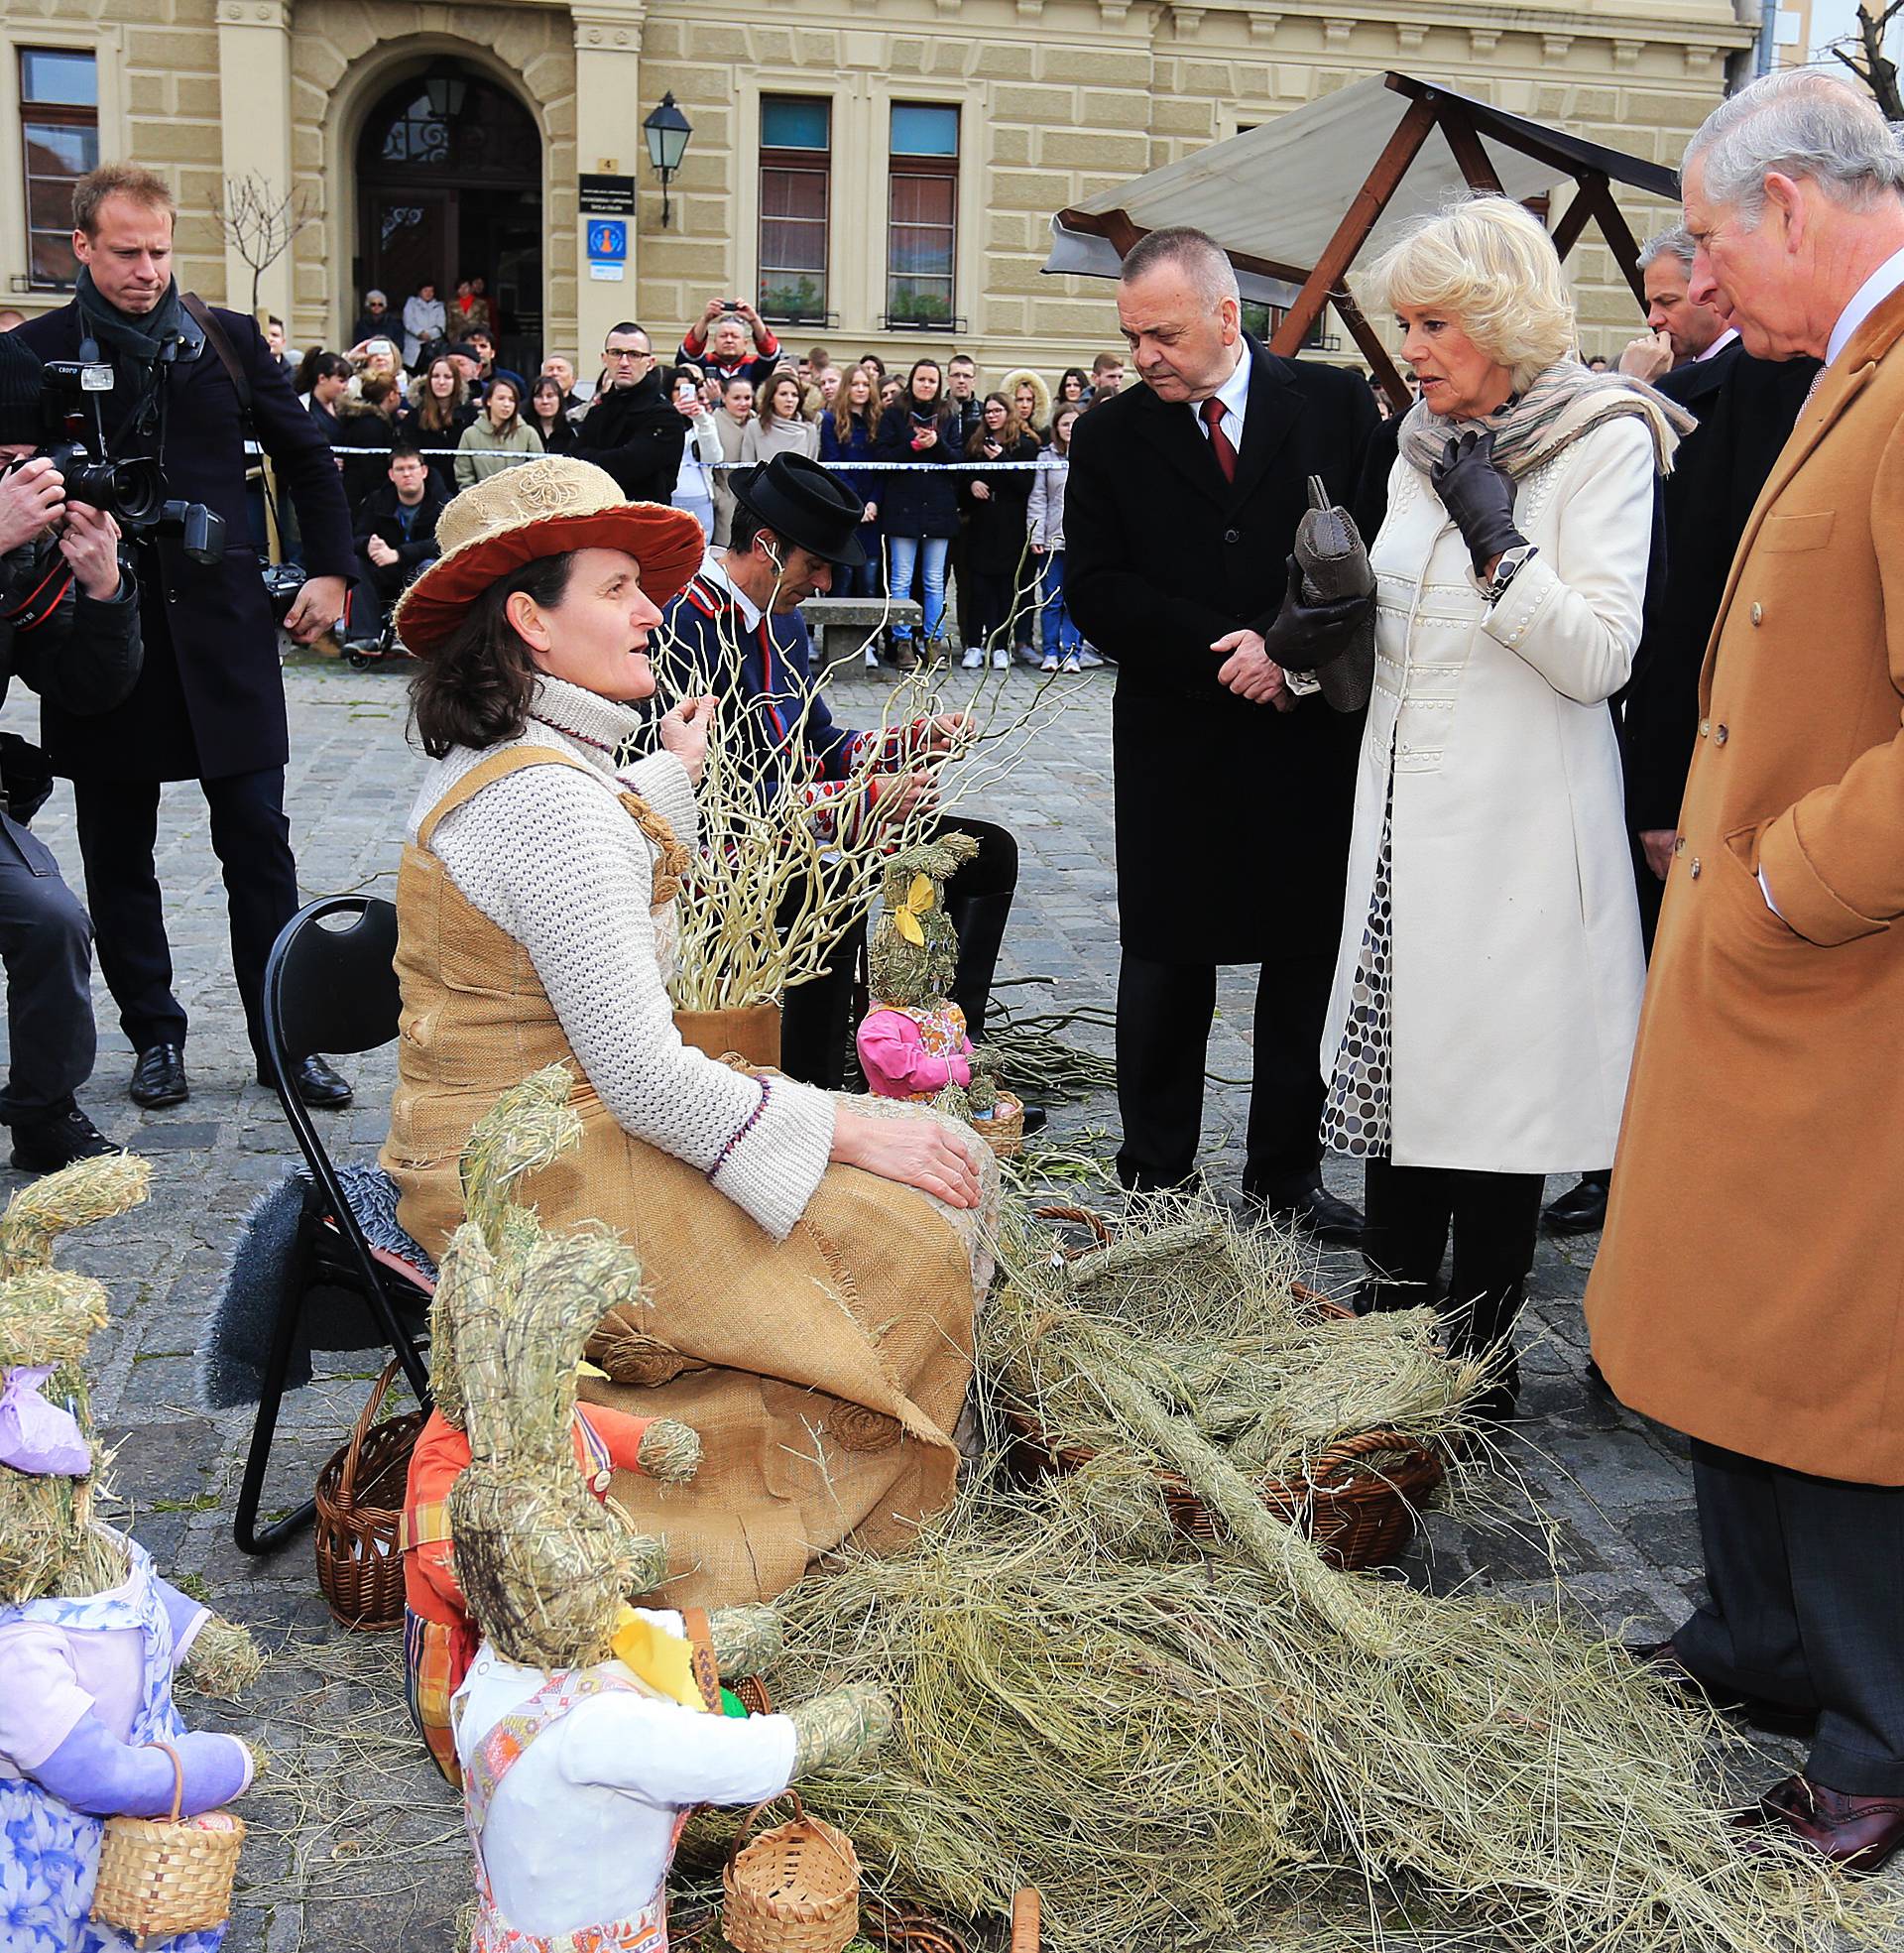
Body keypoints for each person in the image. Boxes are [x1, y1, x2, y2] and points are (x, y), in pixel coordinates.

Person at [380, 453, 993, 1606]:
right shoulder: (550, 801)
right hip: (530, 1180)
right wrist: (860, 1130)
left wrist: (669, 775)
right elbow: (651, 1079)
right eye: (615, 588)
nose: (650, 610)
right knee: (901, 1240)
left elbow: (581, 888)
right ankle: (715, 1525)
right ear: (531, 619)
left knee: (865, 1223)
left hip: (492, 1144)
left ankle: (716, 1476)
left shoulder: (530, 765)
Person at [1587, 68, 1904, 1877]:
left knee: (1841, 1364)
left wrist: (1784, 879)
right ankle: (1761, 1639)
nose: (1691, 277)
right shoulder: (1842, 362)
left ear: (1787, 208)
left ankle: (1876, 1732)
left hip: (1841, 974)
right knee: (1731, 1315)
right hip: (1766, 963)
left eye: (1703, 237)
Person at [1326, 195, 1679, 1427]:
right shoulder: (1420, 441)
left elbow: (1601, 660)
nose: (1410, 348)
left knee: (1495, 1110)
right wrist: (1324, 612)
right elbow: (1398, 615)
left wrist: (1501, 543)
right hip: (1401, 828)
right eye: (1404, 323)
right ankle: (1387, 1352)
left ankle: (1472, 1372)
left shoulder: (1606, 439)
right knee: (1398, 1090)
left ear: (1501, 318)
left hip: (1521, 837)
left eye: (1432, 322)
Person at [1065, 226, 1377, 1238]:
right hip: (1176, 737)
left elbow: (1377, 558)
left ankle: (1284, 1176)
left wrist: (1288, 654)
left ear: (1225, 315)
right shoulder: (1108, 436)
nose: (1142, 355)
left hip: (1307, 740)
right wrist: (1222, 647)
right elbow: (1097, 589)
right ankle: (1155, 1175)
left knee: (1303, 962)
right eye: (1131, 336)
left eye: (1161, 334)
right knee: (1165, 961)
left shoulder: (1328, 403)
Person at [1547, 229, 1817, 1239]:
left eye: (1683, 293)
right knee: (1647, 985)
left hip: (1759, 758)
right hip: (1677, 745)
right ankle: (1622, 1167)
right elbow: (1662, 614)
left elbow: (1701, 606)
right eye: (1658, 295)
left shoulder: (1764, 393)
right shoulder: (1699, 396)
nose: (1665, 311)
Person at [659, 453, 1020, 1090]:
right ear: (768, 548)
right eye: (814, 565)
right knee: (831, 883)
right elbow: (726, 793)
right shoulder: (687, 622)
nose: (824, 582)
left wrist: (911, 742)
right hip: (727, 850)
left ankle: (945, 1062)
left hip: (807, 821)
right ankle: (813, 1087)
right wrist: (861, 804)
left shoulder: (783, 617)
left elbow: (818, 739)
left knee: (986, 853)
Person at [0, 337, 144, 1170]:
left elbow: (86, 688)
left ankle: (43, 1112)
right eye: (3, 462)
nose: (22, 481)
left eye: (30, 462)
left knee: (52, 917)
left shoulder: (27, 548)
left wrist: (103, 590)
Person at [876, 360, 961, 662]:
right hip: (903, 509)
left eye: (932, 380)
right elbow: (883, 457)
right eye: (921, 379)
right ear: (912, 382)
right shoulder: (893, 415)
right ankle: (902, 642)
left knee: (934, 580)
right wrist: (912, 446)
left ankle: (933, 640)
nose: (926, 385)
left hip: (938, 508)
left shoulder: (950, 415)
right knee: (900, 578)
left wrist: (935, 443)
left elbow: (956, 460)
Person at [958, 392, 1037, 670]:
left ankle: (1001, 645)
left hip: (1010, 526)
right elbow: (963, 477)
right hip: (981, 525)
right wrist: (971, 485)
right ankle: (973, 645)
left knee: (1005, 590)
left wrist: (1002, 458)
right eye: (988, 411)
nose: (991, 415)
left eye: (997, 410)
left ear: (1008, 413)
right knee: (977, 589)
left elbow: (1025, 485)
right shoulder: (976, 444)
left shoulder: (1025, 446)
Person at [571, 322, 686, 503]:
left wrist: (587, 458)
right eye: (616, 353)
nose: (624, 362)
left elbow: (627, 465)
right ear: (604, 358)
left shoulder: (665, 416)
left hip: (644, 522)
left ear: (650, 363)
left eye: (634, 354)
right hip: (595, 518)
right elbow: (571, 460)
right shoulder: (598, 412)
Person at [349, 438, 445, 644]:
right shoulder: (377, 500)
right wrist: (369, 545)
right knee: (357, 565)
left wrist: (399, 554)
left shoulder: (442, 501)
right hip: (386, 570)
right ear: (391, 475)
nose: (407, 474)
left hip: (419, 569)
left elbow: (442, 542)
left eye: (412, 467)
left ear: (424, 471)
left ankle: (412, 639)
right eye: (400, 469)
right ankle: (364, 638)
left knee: (430, 567)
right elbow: (355, 538)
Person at [1027, 401, 1084, 671]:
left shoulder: (1091, 454)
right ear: (1056, 428)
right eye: (1064, 424)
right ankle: (1050, 651)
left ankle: (1073, 652)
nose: (1069, 429)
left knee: (1076, 600)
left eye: (1074, 423)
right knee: (1052, 599)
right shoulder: (1045, 458)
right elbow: (1038, 497)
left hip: (1082, 540)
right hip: (1053, 537)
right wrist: (1036, 535)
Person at [819, 365, 882, 606]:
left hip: (873, 510)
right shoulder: (831, 420)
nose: (860, 389)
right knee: (842, 577)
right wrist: (857, 504)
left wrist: (873, 502)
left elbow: (883, 469)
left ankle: (870, 642)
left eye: (865, 384)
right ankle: (838, 642)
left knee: (869, 580)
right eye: (855, 384)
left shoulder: (878, 419)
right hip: (845, 507)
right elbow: (833, 464)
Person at [405, 353, 473, 502]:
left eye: (448, 377)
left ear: (456, 381)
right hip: (426, 492)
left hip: (461, 490)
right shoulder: (415, 417)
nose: (441, 382)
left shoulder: (469, 415)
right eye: (435, 376)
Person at [454, 373, 541, 489]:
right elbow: (464, 475)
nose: (506, 404)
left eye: (512, 400)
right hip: (480, 502)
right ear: (489, 401)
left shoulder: (528, 433)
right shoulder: (470, 434)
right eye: (501, 398)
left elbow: (540, 470)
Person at [665, 364, 723, 540]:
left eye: (687, 389)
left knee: (701, 554)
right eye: (677, 389)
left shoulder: (703, 421)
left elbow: (715, 458)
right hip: (670, 499)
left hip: (701, 499)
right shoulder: (659, 419)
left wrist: (702, 419)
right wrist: (670, 414)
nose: (682, 394)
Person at [677, 299, 781, 390]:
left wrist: (754, 320)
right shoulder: (703, 364)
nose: (729, 340)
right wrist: (705, 320)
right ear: (714, 341)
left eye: (735, 336)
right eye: (723, 336)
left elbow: (770, 353)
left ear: (745, 343)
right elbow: (690, 352)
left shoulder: (755, 367)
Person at [708, 374, 754, 551]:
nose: (743, 403)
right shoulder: (713, 422)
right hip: (725, 499)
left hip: (750, 501)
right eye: (737, 398)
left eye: (747, 398)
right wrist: (720, 498)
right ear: (723, 397)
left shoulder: (757, 421)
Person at [739, 370, 818, 463]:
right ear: (772, 398)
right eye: (783, 394)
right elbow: (747, 464)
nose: (790, 400)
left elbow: (812, 467)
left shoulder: (809, 429)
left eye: (794, 395)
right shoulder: (755, 426)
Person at [526, 374, 578, 455]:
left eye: (550, 396)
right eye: (539, 396)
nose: (545, 401)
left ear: (559, 399)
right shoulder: (523, 427)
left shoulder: (572, 429)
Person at [402, 280, 444, 370]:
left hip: (431, 346)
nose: (428, 293)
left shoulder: (439, 306)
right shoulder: (411, 303)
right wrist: (420, 332)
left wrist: (429, 334)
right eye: (425, 291)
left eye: (431, 291)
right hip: (413, 346)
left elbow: (441, 326)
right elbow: (408, 321)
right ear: (419, 292)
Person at [1002, 369, 1050, 445]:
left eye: (1029, 400)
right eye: (1019, 400)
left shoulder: (1045, 432)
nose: (1025, 405)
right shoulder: (1002, 431)